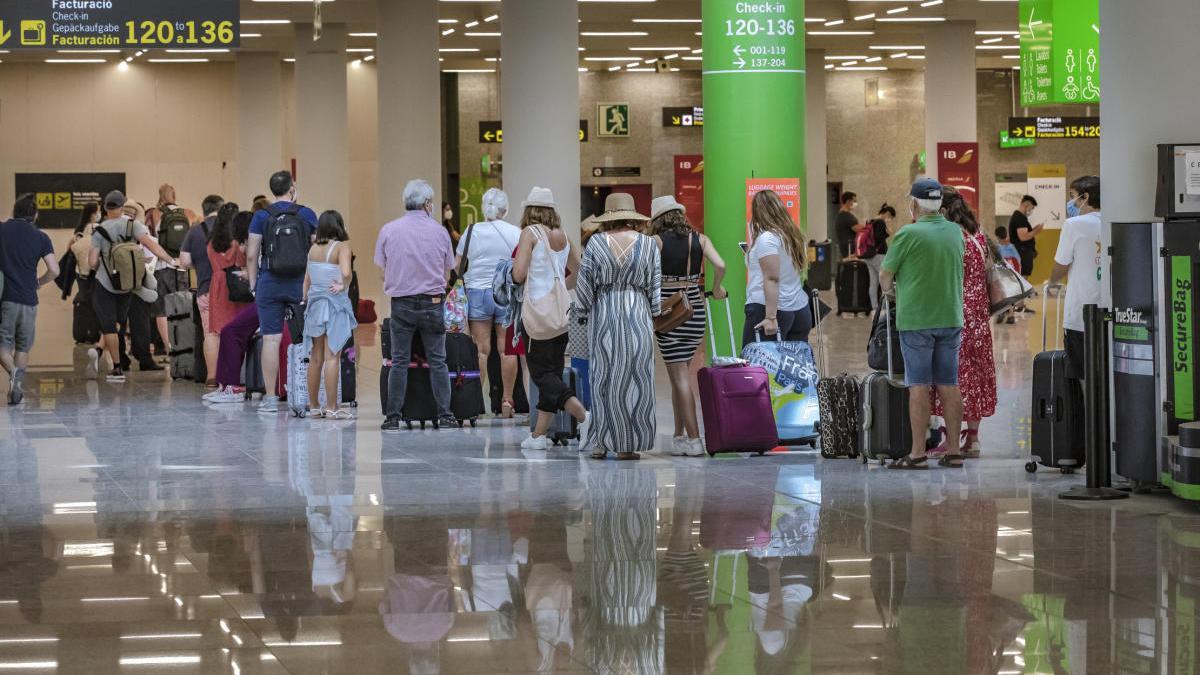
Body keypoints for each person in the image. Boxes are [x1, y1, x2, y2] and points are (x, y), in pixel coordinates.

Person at [879, 178, 965, 469]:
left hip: (916, 319)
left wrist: (891, 292)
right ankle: (954, 450)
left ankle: (917, 453)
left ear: (914, 204)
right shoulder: (956, 232)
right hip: (951, 317)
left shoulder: (907, 234)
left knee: (918, 385)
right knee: (949, 383)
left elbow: (885, 275)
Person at [576, 192, 661, 460]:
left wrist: (582, 309)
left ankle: (600, 442)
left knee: (603, 377)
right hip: (638, 313)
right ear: (632, 216)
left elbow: (585, 284)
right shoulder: (649, 245)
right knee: (637, 378)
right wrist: (655, 312)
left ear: (608, 217)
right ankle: (627, 445)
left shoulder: (595, 243)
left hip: (604, 313)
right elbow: (654, 285)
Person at [376, 179, 459, 432]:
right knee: (438, 360)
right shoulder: (440, 232)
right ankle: (445, 415)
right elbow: (448, 271)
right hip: (433, 303)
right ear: (426, 204)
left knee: (399, 360)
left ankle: (393, 416)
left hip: (401, 304)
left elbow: (382, 269)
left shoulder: (389, 230)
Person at [510, 187, 588, 451]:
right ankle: (538, 436)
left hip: (537, 316)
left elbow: (519, 275)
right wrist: (559, 290)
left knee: (542, 375)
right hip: (561, 315)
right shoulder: (563, 236)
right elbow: (579, 271)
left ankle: (584, 416)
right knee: (552, 373)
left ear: (530, 210)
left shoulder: (529, 234)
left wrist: (510, 275)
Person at [650, 195, 727, 457]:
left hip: (669, 310)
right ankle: (679, 436)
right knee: (679, 374)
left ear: (658, 218)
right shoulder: (700, 238)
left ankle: (695, 439)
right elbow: (720, 264)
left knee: (679, 376)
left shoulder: (656, 242)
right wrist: (715, 288)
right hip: (694, 306)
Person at [929, 187, 996, 459]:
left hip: (955, 312)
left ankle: (951, 438)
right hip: (979, 316)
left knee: (952, 376)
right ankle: (974, 438)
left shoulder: (950, 236)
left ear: (943, 209)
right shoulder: (977, 233)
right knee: (977, 374)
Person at [246, 171, 318, 413]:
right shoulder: (306, 214)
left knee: (271, 338)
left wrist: (254, 284)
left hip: (270, 281)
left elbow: (252, 254)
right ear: (292, 188)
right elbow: (316, 250)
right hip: (301, 283)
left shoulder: (261, 216)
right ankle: (306, 394)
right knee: (306, 339)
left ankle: (269, 398)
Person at [88, 190, 178, 382]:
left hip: (105, 282)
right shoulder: (133, 225)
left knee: (109, 326)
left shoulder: (99, 231)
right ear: (122, 207)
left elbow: (92, 262)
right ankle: (104, 351)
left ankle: (117, 367)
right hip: (128, 283)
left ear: (105, 208)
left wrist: (105, 261)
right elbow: (153, 247)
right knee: (120, 322)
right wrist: (171, 260)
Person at [455, 188, 521, 418]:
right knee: (507, 350)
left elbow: (457, 265)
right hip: (505, 292)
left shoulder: (471, 231)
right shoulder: (515, 232)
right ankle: (507, 401)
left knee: (481, 351)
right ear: (505, 209)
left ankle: (474, 403)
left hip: (478, 292)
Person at [0, 194, 59, 405]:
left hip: (5, 299)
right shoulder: (41, 237)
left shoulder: (2, 230)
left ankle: (13, 373)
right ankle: (16, 390)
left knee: (2, 345)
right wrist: (39, 282)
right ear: (34, 215)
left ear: (14, 211)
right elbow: (54, 270)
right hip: (29, 300)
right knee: (23, 347)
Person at [302, 211, 358, 419]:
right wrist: (343, 283)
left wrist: (307, 298)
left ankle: (314, 406)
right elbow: (345, 273)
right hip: (334, 305)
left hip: (315, 304)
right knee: (332, 356)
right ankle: (332, 407)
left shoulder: (313, 248)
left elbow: (306, 280)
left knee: (315, 357)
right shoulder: (342, 247)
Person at [743, 190, 811, 350]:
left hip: (771, 309)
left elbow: (772, 277)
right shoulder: (793, 236)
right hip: (799, 309)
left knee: (758, 368)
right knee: (793, 369)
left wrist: (771, 317)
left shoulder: (767, 238)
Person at [1051, 176, 1102, 384]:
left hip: (1080, 315)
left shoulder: (1074, 224)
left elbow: (1061, 265)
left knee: (1083, 376)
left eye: (1073, 197)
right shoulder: (1113, 221)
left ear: (1085, 197)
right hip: (1108, 310)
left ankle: (1087, 416)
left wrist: (1051, 281)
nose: (1071, 203)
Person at [201, 206, 254, 403]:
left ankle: (215, 377)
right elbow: (244, 261)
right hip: (236, 285)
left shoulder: (212, 243)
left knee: (216, 332)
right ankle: (238, 379)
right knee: (237, 332)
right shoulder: (237, 243)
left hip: (217, 287)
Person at [144, 184, 198, 356]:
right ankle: (185, 347)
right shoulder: (187, 213)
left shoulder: (155, 213)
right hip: (181, 267)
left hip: (162, 266)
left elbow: (150, 235)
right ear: (175, 194)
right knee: (183, 306)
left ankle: (169, 350)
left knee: (162, 310)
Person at [180, 194, 224, 386]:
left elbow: (185, 262)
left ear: (204, 210)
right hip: (229, 290)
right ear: (221, 209)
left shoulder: (194, 231)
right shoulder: (229, 229)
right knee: (230, 333)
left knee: (210, 334)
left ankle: (212, 377)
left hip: (205, 289)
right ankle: (232, 377)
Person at [859, 204, 896, 312]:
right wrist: (887, 232)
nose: (890, 220)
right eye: (890, 217)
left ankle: (874, 308)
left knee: (873, 282)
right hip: (878, 255)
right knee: (885, 281)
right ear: (887, 214)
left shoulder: (871, 221)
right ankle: (885, 306)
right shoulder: (880, 222)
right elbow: (879, 238)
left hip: (869, 256)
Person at [1009, 195, 1043, 279]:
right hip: (1022, 253)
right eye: (1031, 208)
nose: (1031, 210)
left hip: (1023, 252)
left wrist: (1034, 229)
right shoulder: (1019, 218)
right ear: (1026, 204)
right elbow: (1023, 237)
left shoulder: (1021, 217)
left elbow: (1024, 233)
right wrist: (1036, 231)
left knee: (1023, 276)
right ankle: (1023, 292)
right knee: (1023, 277)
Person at [834, 191, 863, 261]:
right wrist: (866, 226)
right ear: (848, 201)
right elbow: (859, 229)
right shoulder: (846, 216)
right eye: (854, 201)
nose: (856, 203)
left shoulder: (841, 215)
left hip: (847, 249)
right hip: (850, 251)